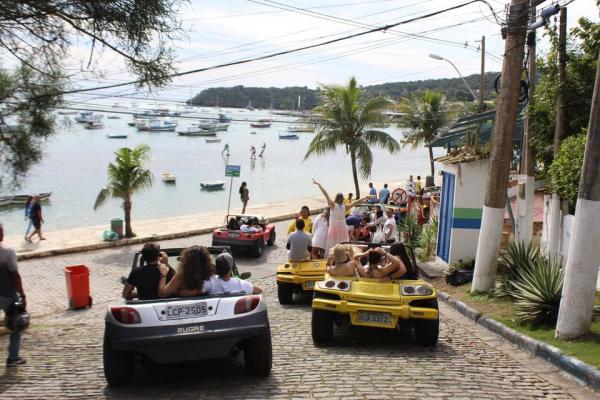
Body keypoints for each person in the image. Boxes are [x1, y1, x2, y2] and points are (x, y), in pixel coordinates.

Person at [312, 179, 367, 256]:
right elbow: (356, 202)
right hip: (343, 229)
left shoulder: (333, 205)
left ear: (336, 198)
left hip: (334, 229)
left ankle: (331, 260)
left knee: (332, 247)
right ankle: (344, 259)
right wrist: (366, 197)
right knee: (343, 246)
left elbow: (325, 194)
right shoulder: (345, 207)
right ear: (342, 199)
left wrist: (319, 185)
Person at [0, 224, 27, 367]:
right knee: (16, 325)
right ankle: (13, 357)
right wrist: (22, 295)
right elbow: (15, 276)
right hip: (8, 295)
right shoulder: (8, 252)